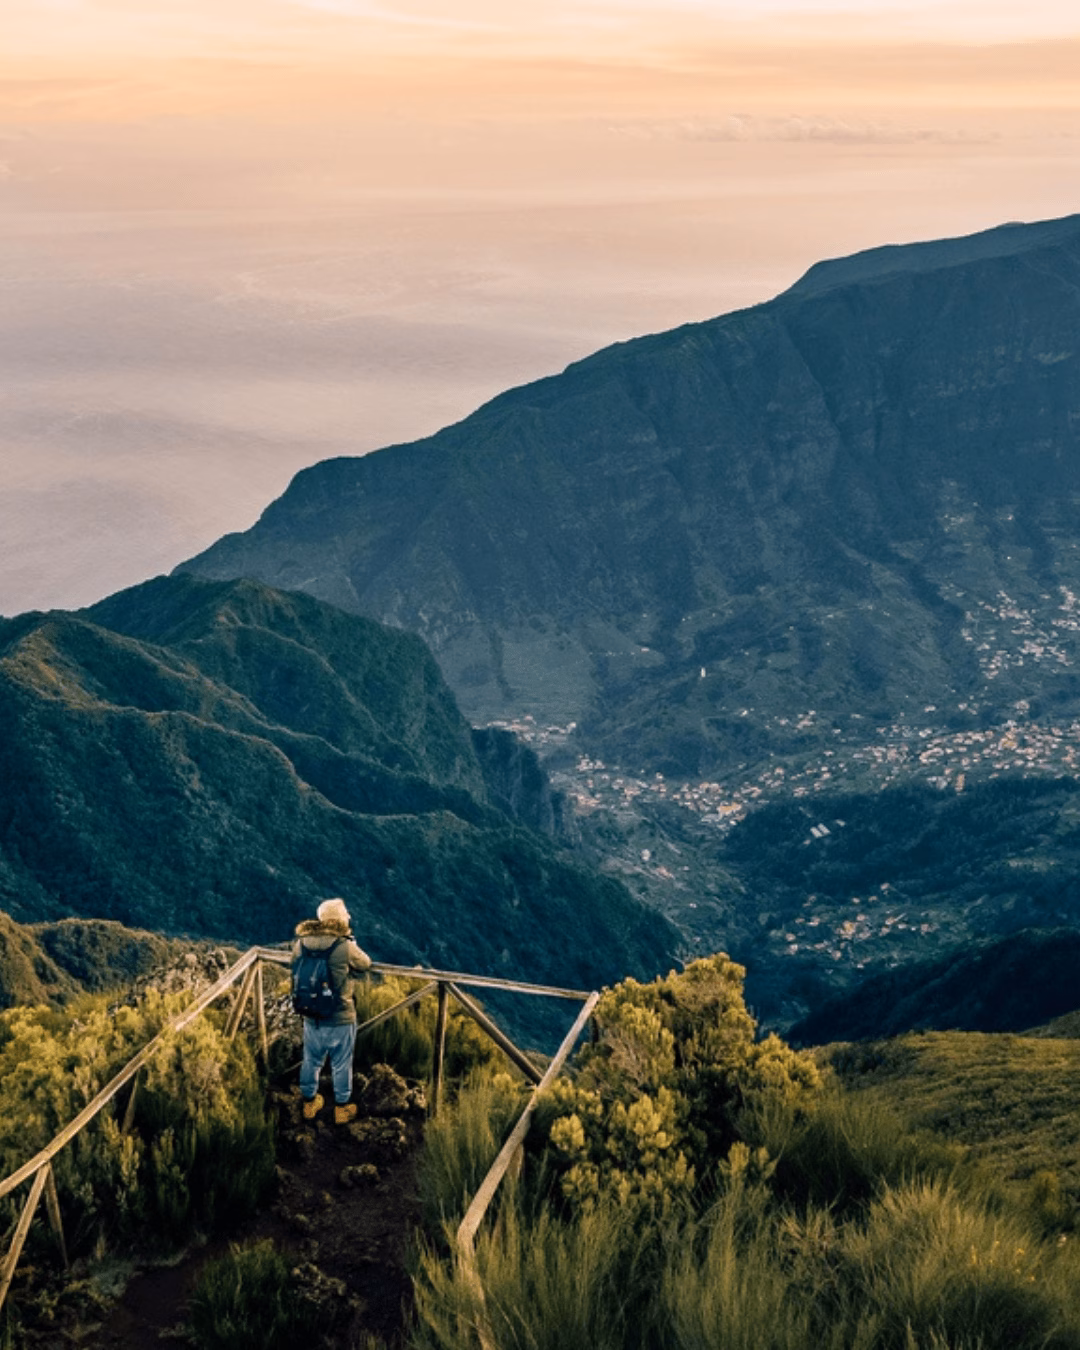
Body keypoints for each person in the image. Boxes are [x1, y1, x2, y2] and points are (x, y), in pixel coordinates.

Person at [291, 897, 373, 1125]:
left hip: (311, 1015)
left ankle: (309, 1103)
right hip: (340, 1016)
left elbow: (295, 966)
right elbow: (366, 963)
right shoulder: (343, 946)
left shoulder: (301, 943)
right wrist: (351, 944)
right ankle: (342, 1108)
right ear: (337, 919)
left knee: (311, 1060)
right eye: (346, 914)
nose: (349, 917)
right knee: (341, 1063)